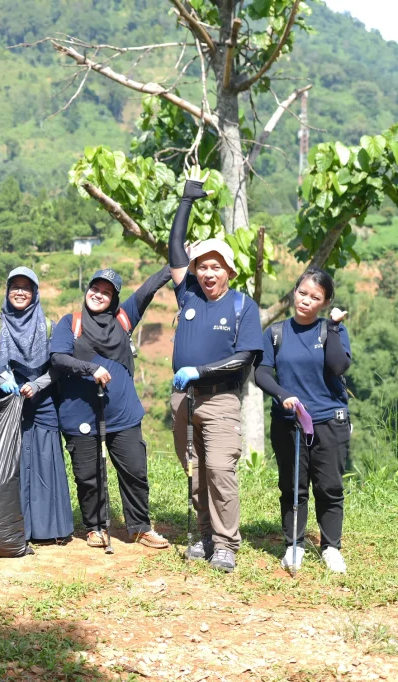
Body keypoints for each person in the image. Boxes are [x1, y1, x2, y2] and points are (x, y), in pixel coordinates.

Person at [168, 168, 263, 573]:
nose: (208, 273)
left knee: (220, 469)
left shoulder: (243, 306)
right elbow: (175, 247)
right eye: (202, 266)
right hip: (183, 400)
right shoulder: (187, 293)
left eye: (216, 267)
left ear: (229, 272)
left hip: (221, 399)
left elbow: (245, 359)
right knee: (195, 470)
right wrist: (186, 201)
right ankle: (205, 535)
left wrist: (200, 371)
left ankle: (226, 544)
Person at [50, 265, 172, 550]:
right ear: (87, 289)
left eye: (107, 292)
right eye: (95, 288)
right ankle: (94, 526)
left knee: (134, 470)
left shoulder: (124, 318)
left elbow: (148, 288)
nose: (99, 295)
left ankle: (140, 527)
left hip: (123, 413)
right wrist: (89, 368)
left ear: (114, 299)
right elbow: (58, 357)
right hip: (80, 414)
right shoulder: (71, 322)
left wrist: (177, 261)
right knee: (88, 474)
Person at [255, 268, 352, 573]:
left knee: (329, 487)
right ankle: (293, 544)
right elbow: (260, 373)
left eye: (315, 297)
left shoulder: (329, 330)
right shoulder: (276, 333)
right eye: (302, 293)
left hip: (328, 421)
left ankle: (331, 547)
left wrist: (335, 327)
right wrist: (282, 394)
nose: (306, 301)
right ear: (294, 291)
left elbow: (338, 367)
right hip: (288, 422)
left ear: (325, 303)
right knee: (292, 486)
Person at [0, 267, 74, 545]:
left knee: (46, 460)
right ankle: (17, 527)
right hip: (9, 403)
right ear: (7, 291)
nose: (19, 292)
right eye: (14, 286)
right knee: (13, 462)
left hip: (43, 401)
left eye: (26, 287)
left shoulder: (49, 325)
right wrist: (3, 378)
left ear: (35, 293)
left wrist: (36, 385)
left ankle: (49, 529)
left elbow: (57, 367)